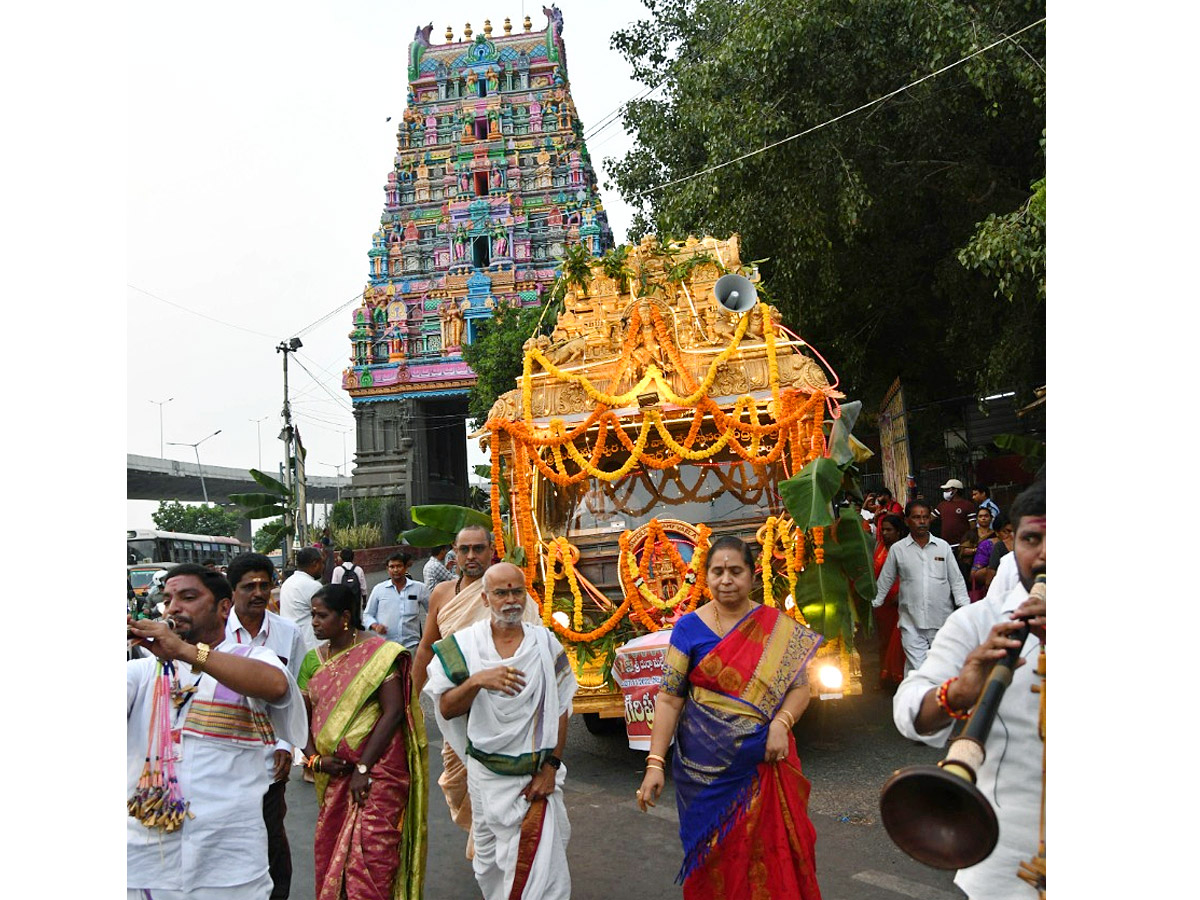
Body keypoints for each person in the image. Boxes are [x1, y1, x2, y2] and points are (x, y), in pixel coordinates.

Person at [636, 536, 823, 900]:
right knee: (715, 863)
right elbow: (670, 699)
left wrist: (781, 724)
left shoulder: (775, 627)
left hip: (765, 766)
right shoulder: (688, 628)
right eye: (718, 571)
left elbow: (801, 689)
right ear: (705, 577)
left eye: (735, 571)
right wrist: (655, 763)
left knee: (773, 858)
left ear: (752, 576)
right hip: (703, 776)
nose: (726, 580)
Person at [892, 481, 1046, 900]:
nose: (1047, 554)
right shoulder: (980, 623)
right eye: (1033, 539)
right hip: (1001, 862)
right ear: (1011, 539)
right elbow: (908, 707)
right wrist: (958, 692)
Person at [127, 564, 306, 900]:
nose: (174, 607)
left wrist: (184, 650)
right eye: (168, 599)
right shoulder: (141, 671)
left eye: (188, 597)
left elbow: (275, 684)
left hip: (228, 865)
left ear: (224, 608)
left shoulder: (252, 657)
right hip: (146, 864)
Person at [424, 562, 576, 900]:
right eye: (501, 592)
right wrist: (478, 680)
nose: (510, 599)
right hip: (484, 774)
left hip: (536, 778)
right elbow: (447, 709)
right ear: (484, 597)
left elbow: (562, 707)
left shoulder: (544, 644)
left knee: (541, 876)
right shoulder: (463, 646)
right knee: (489, 865)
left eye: (516, 591)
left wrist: (551, 767)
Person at [411, 525, 541, 859]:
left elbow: (533, 651)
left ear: (492, 549)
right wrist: (410, 699)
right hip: (457, 709)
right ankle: (483, 835)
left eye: (478, 549)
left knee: (504, 788)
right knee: (456, 784)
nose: (471, 556)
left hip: (505, 710)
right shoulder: (442, 593)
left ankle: (499, 852)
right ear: (453, 551)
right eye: (464, 549)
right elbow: (426, 648)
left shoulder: (511, 593)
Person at [301, 583, 428, 900]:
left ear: (345, 617)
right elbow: (300, 718)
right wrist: (314, 759)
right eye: (312, 615)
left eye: (321, 615)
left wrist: (362, 767)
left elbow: (394, 711)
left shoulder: (379, 653)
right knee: (334, 853)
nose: (314, 622)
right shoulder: (311, 661)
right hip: (331, 777)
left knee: (372, 855)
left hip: (377, 775)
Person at [224, 553, 307, 900]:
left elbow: (298, 695)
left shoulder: (288, 633)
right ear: (232, 592)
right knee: (227, 834)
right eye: (249, 586)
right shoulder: (214, 634)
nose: (258, 592)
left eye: (264, 584)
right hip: (224, 752)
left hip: (271, 755)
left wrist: (287, 745)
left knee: (270, 832)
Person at [872, 499, 970, 673]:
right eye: (917, 517)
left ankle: (914, 696)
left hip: (940, 621)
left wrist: (965, 608)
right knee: (921, 667)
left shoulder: (943, 547)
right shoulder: (898, 549)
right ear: (907, 520)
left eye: (925, 517)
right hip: (911, 623)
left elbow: (956, 581)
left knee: (931, 669)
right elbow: (886, 579)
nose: (922, 521)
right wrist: (875, 603)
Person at [364, 551, 430, 651]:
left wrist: (428, 636)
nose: (395, 570)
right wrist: (376, 626)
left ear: (405, 567)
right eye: (392, 567)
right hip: (386, 647)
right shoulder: (379, 589)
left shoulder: (419, 588)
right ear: (387, 569)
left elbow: (432, 612)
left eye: (399, 566)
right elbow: (367, 615)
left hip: (411, 646)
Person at [873, 514, 908, 687]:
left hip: (898, 601)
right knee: (884, 640)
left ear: (899, 532)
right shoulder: (880, 547)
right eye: (883, 530)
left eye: (889, 530)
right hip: (883, 603)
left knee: (899, 641)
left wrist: (902, 592)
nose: (885, 533)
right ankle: (884, 677)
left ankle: (899, 679)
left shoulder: (904, 550)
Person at [279, 547, 324, 652]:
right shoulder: (313, 586)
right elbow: (326, 614)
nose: (323, 567)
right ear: (315, 563)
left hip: (291, 643)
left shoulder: (288, 583)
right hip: (310, 646)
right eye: (323, 563)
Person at [933, 478, 977, 551]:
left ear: (955, 490)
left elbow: (973, 526)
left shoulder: (967, 505)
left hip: (961, 545)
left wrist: (969, 542)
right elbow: (930, 518)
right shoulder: (942, 505)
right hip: (945, 546)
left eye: (947, 489)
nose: (945, 492)